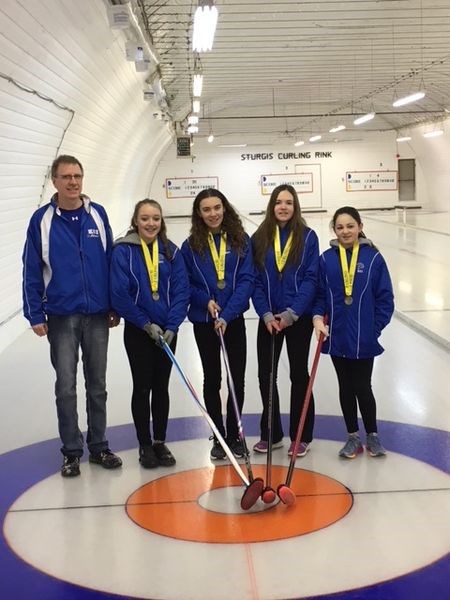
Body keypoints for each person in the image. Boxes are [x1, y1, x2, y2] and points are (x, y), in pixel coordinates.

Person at [22, 155, 122, 477]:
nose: (73, 182)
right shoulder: (42, 220)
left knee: (98, 384)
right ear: (54, 181)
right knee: (65, 387)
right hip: (62, 316)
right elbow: (31, 269)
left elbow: (110, 263)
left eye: (77, 176)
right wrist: (34, 312)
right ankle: (71, 451)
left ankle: (99, 445)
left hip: (96, 316)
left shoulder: (98, 215)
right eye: (66, 176)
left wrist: (113, 304)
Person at [110, 199, 189, 468]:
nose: (151, 223)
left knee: (162, 387)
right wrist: (144, 323)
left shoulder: (172, 252)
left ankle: (160, 442)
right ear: (136, 221)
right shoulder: (122, 251)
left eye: (156, 218)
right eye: (145, 218)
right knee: (142, 387)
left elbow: (182, 292)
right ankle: (144, 444)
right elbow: (119, 294)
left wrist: (172, 326)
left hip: (166, 333)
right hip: (139, 332)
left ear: (161, 221)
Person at [313, 206, 394, 458]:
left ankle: (372, 435)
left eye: (350, 226)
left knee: (363, 386)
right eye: (340, 227)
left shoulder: (373, 259)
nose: (345, 231)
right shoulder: (325, 259)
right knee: (345, 387)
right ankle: (351, 437)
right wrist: (317, 318)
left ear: (360, 227)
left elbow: (385, 299)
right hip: (336, 336)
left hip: (363, 338)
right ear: (334, 230)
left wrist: (373, 328)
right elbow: (318, 296)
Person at [181, 188, 254, 460]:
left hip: (232, 321)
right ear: (198, 214)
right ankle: (219, 436)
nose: (213, 214)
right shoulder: (190, 247)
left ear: (225, 208)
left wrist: (228, 313)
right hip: (205, 322)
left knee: (236, 380)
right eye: (206, 209)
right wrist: (205, 302)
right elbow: (186, 283)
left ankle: (236, 437)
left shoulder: (241, 241)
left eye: (217, 208)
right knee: (212, 380)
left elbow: (247, 280)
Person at [251, 184, 319, 457]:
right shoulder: (259, 237)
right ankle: (272, 433)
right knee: (266, 376)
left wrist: (292, 314)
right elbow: (254, 280)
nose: (283, 207)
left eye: (289, 202)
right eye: (279, 202)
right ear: (272, 205)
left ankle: (301, 435)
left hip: (296, 317)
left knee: (299, 375)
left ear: (295, 206)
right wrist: (266, 313)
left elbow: (311, 279)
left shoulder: (308, 237)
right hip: (268, 318)